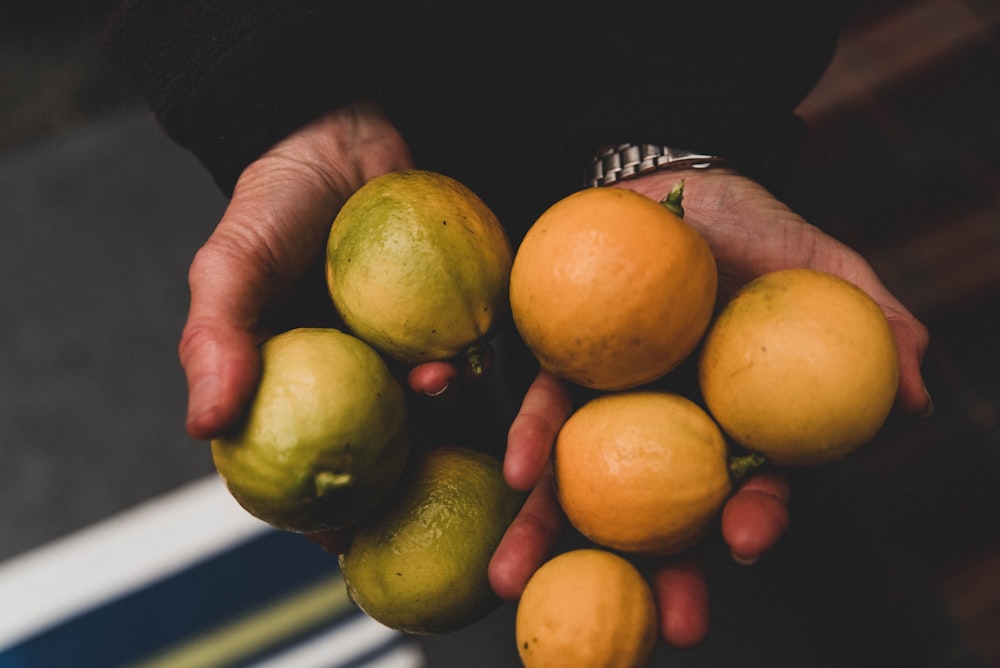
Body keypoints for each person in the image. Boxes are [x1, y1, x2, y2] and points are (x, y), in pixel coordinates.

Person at [86, 0, 931, 649]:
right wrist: (280, 89)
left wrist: (682, 118)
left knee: (757, 561)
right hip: (441, 188)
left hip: (629, 231)